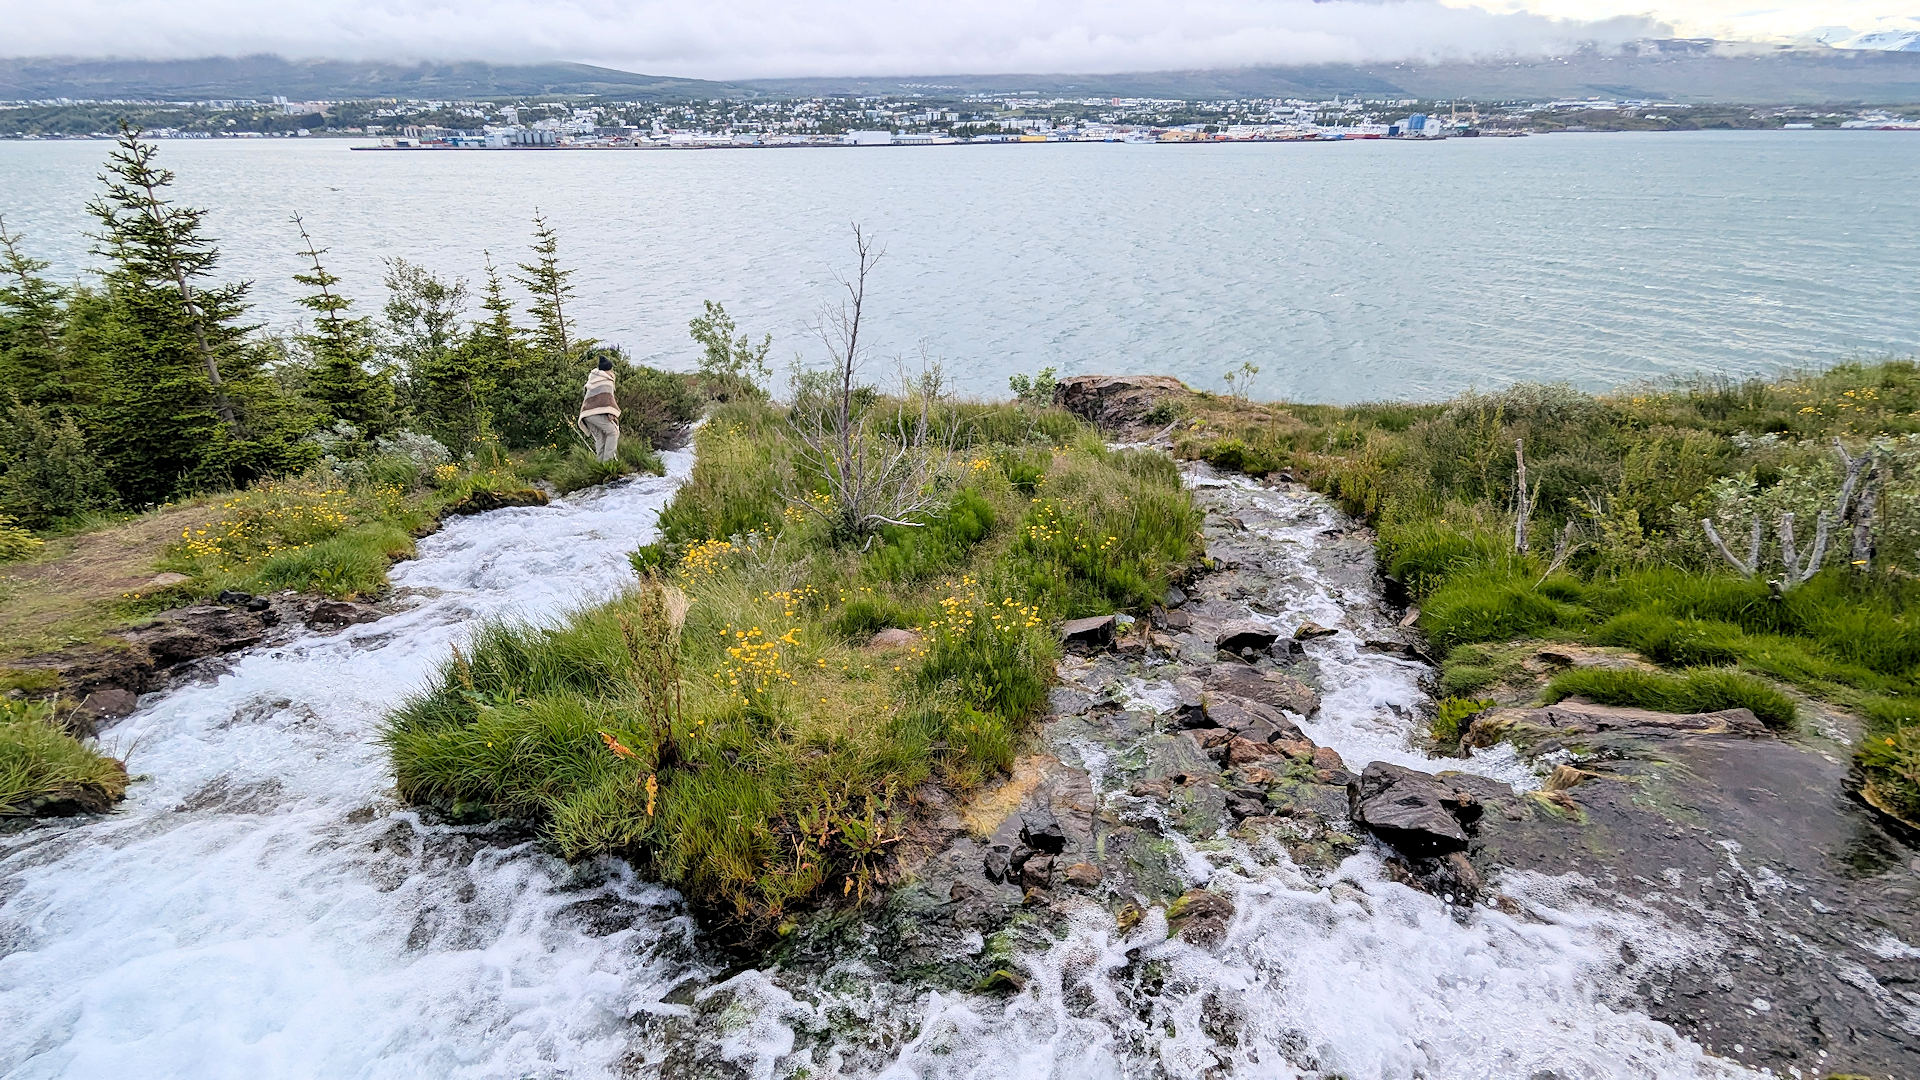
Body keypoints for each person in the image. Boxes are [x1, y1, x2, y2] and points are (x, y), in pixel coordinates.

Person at [578, 351, 622, 462]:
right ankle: (608, 462)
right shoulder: (607, 381)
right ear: (608, 369)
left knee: (600, 438)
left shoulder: (593, 378)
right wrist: (611, 413)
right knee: (613, 432)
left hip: (586, 414)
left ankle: (600, 464)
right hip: (594, 413)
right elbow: (607, 399)